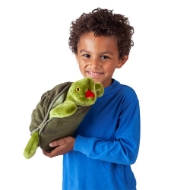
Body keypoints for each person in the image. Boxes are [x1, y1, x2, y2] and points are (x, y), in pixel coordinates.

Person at [43, 7, 141, 190]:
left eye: (104, 57)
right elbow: (53, 129)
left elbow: (128, 152)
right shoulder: (67, 95)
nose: (94, 64)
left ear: (121, 59)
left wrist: (77, 143)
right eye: (86, 55)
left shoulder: (125, 98)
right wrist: (49, 142)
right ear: (76, 56)